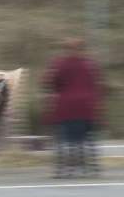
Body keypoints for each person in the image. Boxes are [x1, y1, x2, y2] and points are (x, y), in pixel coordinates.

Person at [44, 37, 103, 178]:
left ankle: (64, 169)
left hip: (66, 106)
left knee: (64, 140)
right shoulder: (90, 64)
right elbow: (97, 84)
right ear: (83, 49)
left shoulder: (59, 64)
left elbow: (50, 81)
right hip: (88, 106)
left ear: (65, 49)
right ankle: (91, 168)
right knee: (87, 139)